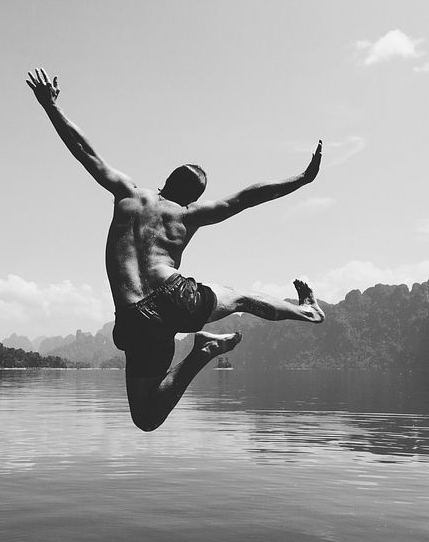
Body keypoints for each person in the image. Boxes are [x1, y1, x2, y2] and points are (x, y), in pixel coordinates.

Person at [27, 68, 325, 431]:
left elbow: (84, 152)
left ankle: (202, 353)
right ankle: (306, 312)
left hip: (135, 316)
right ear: (195, 196)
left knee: (146, 418)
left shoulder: (129, 194)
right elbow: (246, 198)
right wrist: (302, 178)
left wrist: (51, 106)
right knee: (243, 298)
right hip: (176, 296)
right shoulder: (188, 214)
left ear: (165, 180)